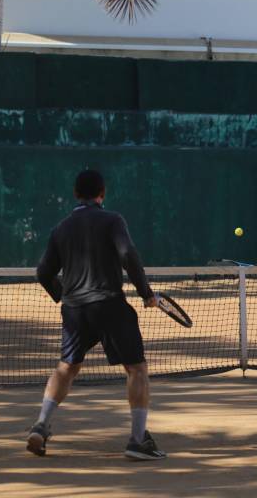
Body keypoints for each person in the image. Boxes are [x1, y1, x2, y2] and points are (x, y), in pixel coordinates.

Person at [29, 169, 165, 460]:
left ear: (76, 194)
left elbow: (43, 272)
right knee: (136, 369)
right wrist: (146, 294)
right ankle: (137, 440)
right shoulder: (113, 219)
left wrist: (63, 294)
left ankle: (41, 426)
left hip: (74, 310)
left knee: (66, 367)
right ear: (102, 193)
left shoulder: (61, 228)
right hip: (109, 304)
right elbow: (128, 254)